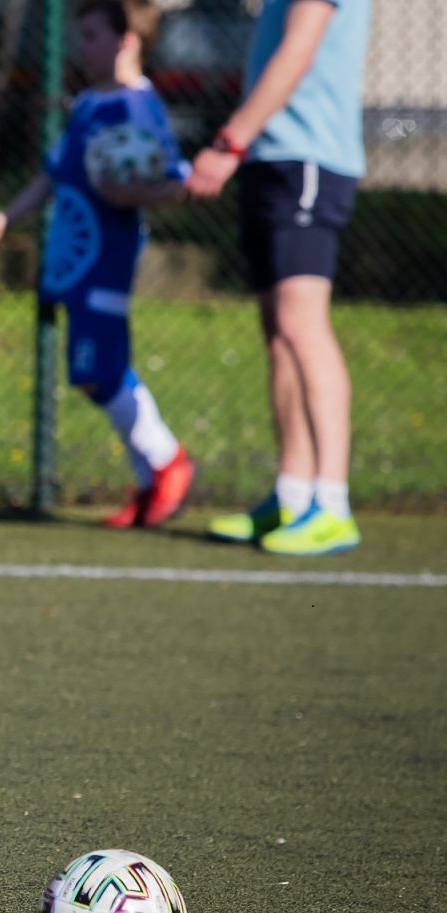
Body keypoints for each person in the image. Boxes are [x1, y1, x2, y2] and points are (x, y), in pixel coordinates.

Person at [0, 0, 194, 528]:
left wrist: (136, 192)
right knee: (95, 370)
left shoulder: (139, 107)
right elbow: (53, 174)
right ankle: (154, 481)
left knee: (98, 369)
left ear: (127, 39)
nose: (82, 47)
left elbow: (179, 179)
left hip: (108, 256)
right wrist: (1, 219)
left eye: (91, 35)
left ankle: (167, 462)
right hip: (71, 258)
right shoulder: (87, 103)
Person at [187, 0, 368, 555]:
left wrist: (229, 143)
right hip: (271, 159)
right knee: (279, 332)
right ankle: (292, 494)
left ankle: (331, 505)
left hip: (306, 159)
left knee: (301, 326)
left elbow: (297, 52)